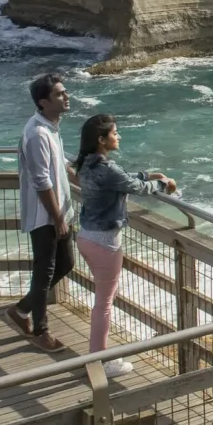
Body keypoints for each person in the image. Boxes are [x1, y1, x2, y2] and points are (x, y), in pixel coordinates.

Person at [72, 113, 177, 378]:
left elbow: (122, 179)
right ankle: (99, 362)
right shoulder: (106, 169)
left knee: (102, 302)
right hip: (104, 243)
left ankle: (97, 357)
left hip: (86, 237)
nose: (118, 136)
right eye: (114, 133)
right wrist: (163, 183)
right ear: (101, 139)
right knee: (104, 305)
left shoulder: (85, 164)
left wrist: (147, 174)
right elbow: (136, 187)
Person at [5, 72, 73, 351]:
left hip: (59, 212)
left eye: (64, 91)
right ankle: (40, 331)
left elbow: (62, 164)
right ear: (43, 102)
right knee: (44, 272)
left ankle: (21, 310)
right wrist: (57, 218)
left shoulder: (51, 127)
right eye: (59, 94)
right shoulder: (37, 134)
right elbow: (41, 181)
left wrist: (88, 180)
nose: (66, 96)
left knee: (66, 264)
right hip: (45, 215)